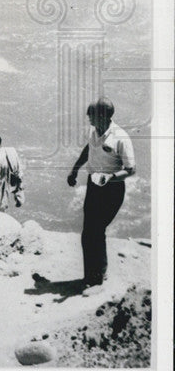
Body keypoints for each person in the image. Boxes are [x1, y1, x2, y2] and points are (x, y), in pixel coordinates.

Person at [67, 98, 136, 287]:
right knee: (88, 232)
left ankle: (97, 278)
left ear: (103, 116)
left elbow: (131, 169)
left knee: (95, 230)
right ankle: (91, 276)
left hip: (111, 188)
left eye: (92, 114)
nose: (88, 117)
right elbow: (89, 148)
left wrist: (110, 177)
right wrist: (75, 169)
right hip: (93, 185)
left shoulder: (120, 137)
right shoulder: (93, 131)